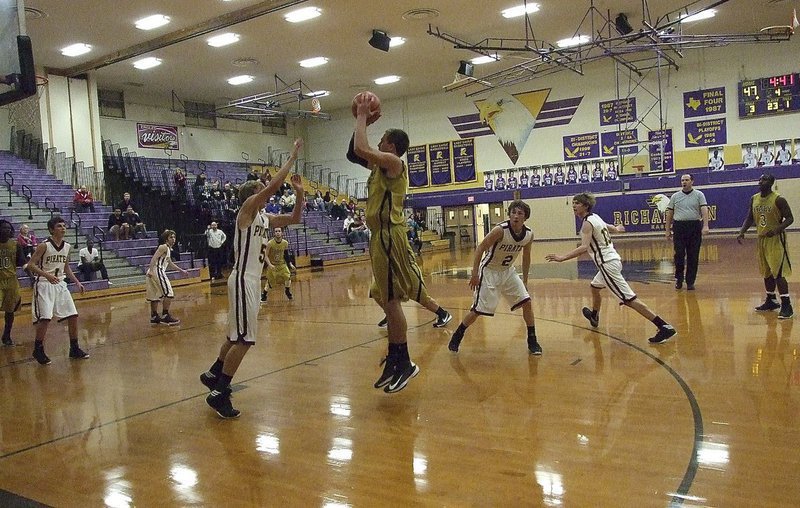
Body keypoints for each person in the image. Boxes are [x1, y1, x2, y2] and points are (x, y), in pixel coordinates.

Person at [200, 139, 303, 419]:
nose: (265, 193)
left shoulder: (264, 219)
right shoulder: (247, 210)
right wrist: (292, 157)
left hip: (251, 280)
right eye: (261, 190)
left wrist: (299, 194)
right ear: (253, 195)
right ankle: (220, 392)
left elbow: (294, 219)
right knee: (244, 340)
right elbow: (272, 187)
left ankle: (213, 374)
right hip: (244, 278)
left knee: (234, 336)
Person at [347, 92, 430, 393]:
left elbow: (361, 147)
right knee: (387, 299)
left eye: (381, 139)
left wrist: (362, 116)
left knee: (392, 302)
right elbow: (354, 152)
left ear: (391, 146)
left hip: (390, 235)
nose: (377, 143)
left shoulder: (393, 163)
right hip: (379, 237)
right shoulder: (379, 167)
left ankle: (404, 361)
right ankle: (395, 358)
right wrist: (364, 123)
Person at [545, 193, 677, 344]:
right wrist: (617, 229)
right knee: (594, 287)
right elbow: (608, 226)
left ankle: (663, 326)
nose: (574, 206)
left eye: (577, 203)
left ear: (586, 206)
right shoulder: (595, 217)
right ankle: (594, 315)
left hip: (607, 265)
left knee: (629, 300)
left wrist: (562, 257)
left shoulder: (587, 223)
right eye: (573, 203)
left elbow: (583, 247)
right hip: (613, 260)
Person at [448, 200, 541, 355]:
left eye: (520, 213)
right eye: (513, 212)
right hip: (489, 271)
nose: (515, 216)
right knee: (478, 310)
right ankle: (458, 334)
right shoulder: (500, 230)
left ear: (525, 218)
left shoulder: (529, 235)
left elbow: (526, 257)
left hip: (508, 272)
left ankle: (532, 340)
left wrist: (525, 280)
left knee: (527, 302)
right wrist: (475, 273)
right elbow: (480, 248)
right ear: (509, 214)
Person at [26, 216, 90, 364]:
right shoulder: (44, 246)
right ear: (51, 229)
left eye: (64, 226)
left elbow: (66, 268)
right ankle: (38, 349)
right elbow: (31, 265)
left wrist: (77, 282)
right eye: (59, 226)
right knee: (45, 318)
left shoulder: (67, 246)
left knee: (73, 315)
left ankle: (74, 348)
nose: (63, 228)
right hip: (44, 284)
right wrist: (47, 275)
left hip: (60, 283)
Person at [736, 174, 794, 319]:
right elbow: (750, 217)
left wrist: (776, 230)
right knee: (766, 272)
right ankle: (771, 300)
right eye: (760, 179)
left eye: (764, 180)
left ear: (771, 183)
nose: (761, 182)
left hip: (776, 239)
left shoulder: (778, 199)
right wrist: (742, 232)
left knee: (778, 273)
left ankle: (787, 305)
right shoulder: (754, 198)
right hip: (761, 239)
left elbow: (790, 218)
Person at [664, 174, 709, 290]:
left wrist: (705, 225)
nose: (684, 182)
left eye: (687, 180)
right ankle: (679, 279)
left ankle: (690, 281)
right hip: (679, 227)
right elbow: (669, 214)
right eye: (682, 180)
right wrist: (667, 230)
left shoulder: (699, 195)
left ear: (692, 181)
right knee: (679, 254)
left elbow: (704, 210)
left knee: (693, 255)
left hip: (694, 226)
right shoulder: (675, 196)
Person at [145, 230, 189, 326]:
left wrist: (181, 270)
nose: (173, 239)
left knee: (154, 295)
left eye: (174, 237)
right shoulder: (163, 247)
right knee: (169, 293)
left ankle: (154, 316)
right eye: (171, 237)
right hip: (156, 270)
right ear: (166, 239)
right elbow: (154, 258)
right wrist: (151, 270)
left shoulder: (168, 249)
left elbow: (170, 263)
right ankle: (165, 316)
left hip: (153, 272)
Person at [0, 220, 24, 346]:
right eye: (4, 228)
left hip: (11, 281)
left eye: (9, 228)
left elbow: (22, 262)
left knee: (10, 311)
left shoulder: (15, 245)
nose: (7, 230)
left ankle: (7, 335)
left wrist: (32, 275)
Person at [261, 226, 299, 302]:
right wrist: (269, 264)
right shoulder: (270, 243)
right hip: (273, 265)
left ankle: (287, 291)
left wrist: (290, 264)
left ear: (282, 233)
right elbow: (265, 256)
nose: (277, 233)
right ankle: (264, 295)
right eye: (276, 231)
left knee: (288, 277)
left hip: (282, 264)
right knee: (270, 282)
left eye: (279, 231)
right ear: (274, 233)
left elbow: (286, 255)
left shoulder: (285, 243)